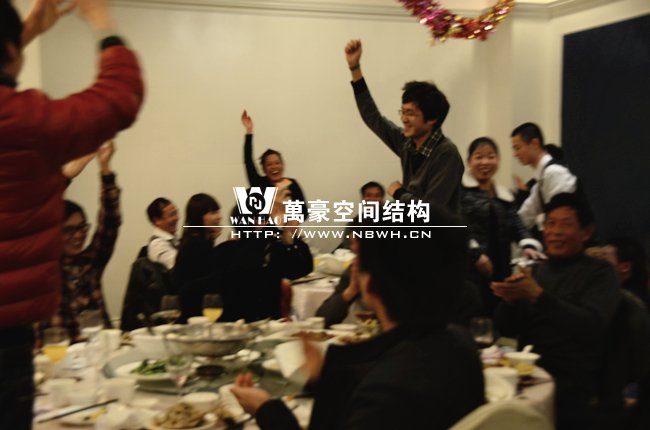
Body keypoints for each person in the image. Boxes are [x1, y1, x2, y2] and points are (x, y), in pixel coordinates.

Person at [0, 0, 143, 425]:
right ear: (11, 52)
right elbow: (120, 97)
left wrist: (21, 37)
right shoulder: (27, 121)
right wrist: (99, 18)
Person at [232, 215, 485, 429]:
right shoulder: (460, 343)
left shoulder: (385, 394)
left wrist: (265, 410)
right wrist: (325, 379)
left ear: (370, 283)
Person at [491, 193, 620, 429]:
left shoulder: (600, 273)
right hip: (529, 373)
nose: (555, 232)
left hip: (575, 381)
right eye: (550, 223)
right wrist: (510, 301)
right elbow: (505, 329)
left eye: (566, 224)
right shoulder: (537, 271)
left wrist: (538, 296)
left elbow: (591, 326)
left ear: (586, 232)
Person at [344, 39, 463, 211]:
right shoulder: (407, 144)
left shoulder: (446, 153)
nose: (404, 119)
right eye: (403, 112)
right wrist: (355, 68)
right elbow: (373, 117)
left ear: (432, 119)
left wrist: (399, 193)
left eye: (411, 113)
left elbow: (431, 211)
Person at [34, 141, 119, 344]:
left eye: (82, 228)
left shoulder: (91, 261)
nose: (78, 236)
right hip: (57, 356)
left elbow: (110, 223)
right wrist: (70, 172)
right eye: (69, 231)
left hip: (100, 351)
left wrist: (105, 168)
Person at [461, 137, 544, 315]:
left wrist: (528, 245)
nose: (485, 162)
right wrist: (476, 254)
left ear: (498, 160)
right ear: (469, 161)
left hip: (500, 267)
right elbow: (457, 227)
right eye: (478, 157)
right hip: (471, 269)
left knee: (499, 314)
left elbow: (517, 224)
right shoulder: (460, 192)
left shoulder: (505, 196)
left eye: (490, 157)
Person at [213, 207, 313, 322]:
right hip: (265, 323)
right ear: (259, 223)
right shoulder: (271, 251)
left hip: (228, 323)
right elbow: (304, 268)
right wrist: (291, 241)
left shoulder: (223, 250)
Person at [241, 110, 308, 219]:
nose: (274, 166)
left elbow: (304, 212)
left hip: (288, 229)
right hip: (266, 229)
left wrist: (296, 219)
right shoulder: (259, 184)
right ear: (264, 169)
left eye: (277, 163)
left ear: (283, 165)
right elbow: (248, 161)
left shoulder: (292, 184)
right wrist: (249, 131)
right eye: (269, 164)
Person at [511, 123, 577, 229]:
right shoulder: (543, 178)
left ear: (535, 143)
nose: (515, 154)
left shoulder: (554, 173)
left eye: (517, 148)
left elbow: (562, 219)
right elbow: (525, 215)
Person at [173, 193, 223, 323]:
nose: (219, 217)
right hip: (195, 317)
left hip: (193, 314)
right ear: (198, 216)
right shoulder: (197, 245)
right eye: (213, 213)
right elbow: (206, 283)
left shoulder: (193, 240)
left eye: (217, 212)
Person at [145, 197, 180, 270]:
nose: (176, 218)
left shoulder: (174, 240)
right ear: (157, 221)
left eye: (176, 213)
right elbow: (181, 267)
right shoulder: (158, 245)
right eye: (172, 215)